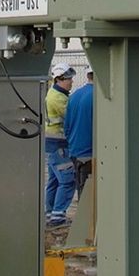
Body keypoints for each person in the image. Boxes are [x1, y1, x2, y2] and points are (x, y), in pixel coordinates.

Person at [63, 70, 96, 233]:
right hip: (91, 152)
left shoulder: (75, 95)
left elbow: (66, 126)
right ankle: (87, 230)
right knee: (90, 196)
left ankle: (85, 228)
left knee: (82, 191)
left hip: (76, 151)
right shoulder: (100, 97)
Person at [43, 64, 77, 227]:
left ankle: (49, 213)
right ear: (59, 79)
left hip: (52, 143)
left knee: (54, 180)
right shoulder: (58, 98)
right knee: (68, 179)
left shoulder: (56, 94)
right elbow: (72, 117)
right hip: (58, 144)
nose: (71, 82)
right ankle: (57, 216)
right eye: (68, 79)